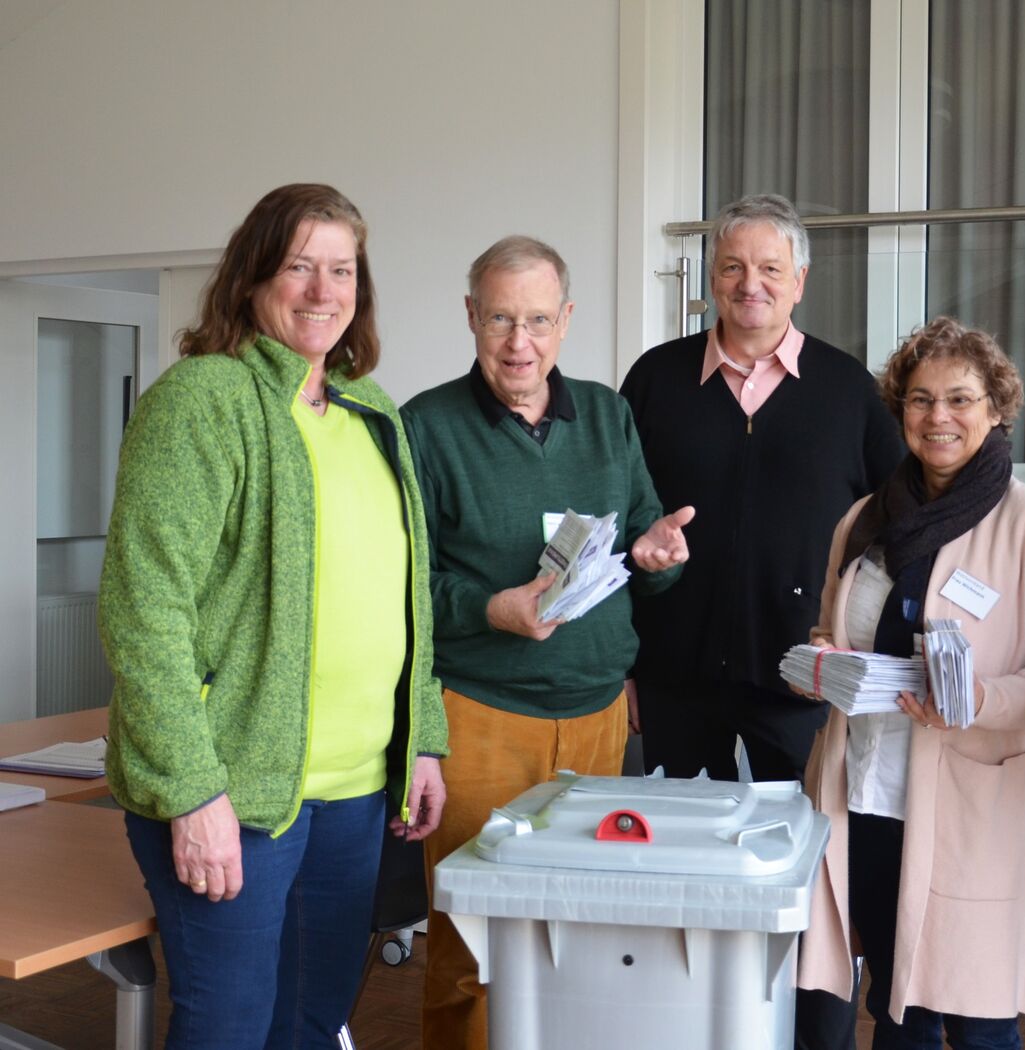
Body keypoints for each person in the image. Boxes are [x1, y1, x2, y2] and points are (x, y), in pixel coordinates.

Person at [98, 183, 449, 1049]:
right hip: (237, 791)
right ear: (253, 276)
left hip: (359, 791)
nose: (323, 291)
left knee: (315, 1020)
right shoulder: (204, 399)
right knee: (230, 1027)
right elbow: (145, 609)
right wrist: (191, 792)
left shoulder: (375, 414)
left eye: (342, 270)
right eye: (299, 267)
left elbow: (411, 594)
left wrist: (424, 736)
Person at [401, 235, 692, 1050]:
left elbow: (640, 546)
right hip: (479, 717)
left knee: (580, 937)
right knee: (470, 946)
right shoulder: (425, 425)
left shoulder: (607, 413)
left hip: (597, 716)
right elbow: (404, 588)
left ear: (566, 321)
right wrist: (493, 609)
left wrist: (658, 559)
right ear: (470, 317)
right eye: (499, 319)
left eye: (536, 320)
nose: (518, 343)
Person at [796, 317, 1025, 1050]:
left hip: (977, 811)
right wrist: (822, 661)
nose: (938, 418)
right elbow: (838, 627)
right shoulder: (864, 520)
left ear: (996, 409)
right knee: (896, 1008)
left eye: (960, 400)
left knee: (978, 1016)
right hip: (864, 795)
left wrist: (974, 700)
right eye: (921, 400)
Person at [620, 193, 905, 785]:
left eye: (771, 269)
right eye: (732, 267)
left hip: (808, 675)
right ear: (712, 278)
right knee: (684, 856)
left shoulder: (851, 391)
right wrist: (624, 666)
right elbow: (615, 522)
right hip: (675, 676)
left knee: (807, 857)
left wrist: (869, 649)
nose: (751, 284)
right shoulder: (655, 379)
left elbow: (899, 523)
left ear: (799, 282)